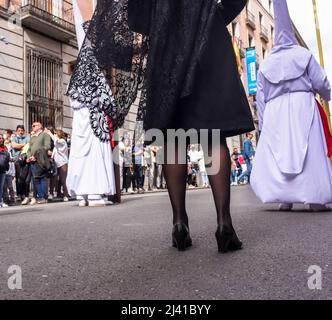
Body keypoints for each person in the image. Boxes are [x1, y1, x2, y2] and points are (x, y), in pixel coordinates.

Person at [68, 0, 255, 252]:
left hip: (166, 45)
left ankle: (179, 223)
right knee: (213, 133)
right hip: (208, 36)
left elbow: (134, 14)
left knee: (173, 136)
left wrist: (161, 22)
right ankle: (224, 224)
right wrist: (214, 14)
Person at [250, 0, 332, 212]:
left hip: (276, 111)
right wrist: (326, 95)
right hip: (302, 105)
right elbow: (321, 82)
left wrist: (265, 120)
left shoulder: (266, 64)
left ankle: (284, 198)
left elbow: (261, 97)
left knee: (280, 150)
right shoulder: (303, 55)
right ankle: (314, 198)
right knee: (309, 150)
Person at [66, 0, 116, 207]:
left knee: (82, 152)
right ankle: (93, 193)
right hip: (91, 124)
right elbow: (105, 100)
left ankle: (82, 194)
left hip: (83, 123)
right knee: (94, 151)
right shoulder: (92, 73)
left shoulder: (78, 78)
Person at [26, 122, 52, 205]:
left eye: (34, 125)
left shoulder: (45, 135)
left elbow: (47, 146)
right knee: (36, 179)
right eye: (32, 125)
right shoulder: (32, 137)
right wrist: (29, 157)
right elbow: (29, 149)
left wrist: (36, 155)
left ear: (40, 126)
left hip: (41, 160)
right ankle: (40, 197)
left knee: (42, 178)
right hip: (32, 161)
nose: (32, 127)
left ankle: (44, 197)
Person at [44, 128, 70, 202]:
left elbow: (57, 141)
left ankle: (65, 195)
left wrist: (49, 133)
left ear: (58, 134)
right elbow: (57, 152)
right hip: (55, 163)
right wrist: (51, 154)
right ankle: (51, 194)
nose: (54, 135)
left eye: (55, 134)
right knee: (53, 179)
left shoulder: (62, 141)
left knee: (63, 180)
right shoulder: (56, 145)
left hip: (62, 163)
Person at [11, 125, 30, 204]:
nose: (20, 132)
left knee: (26, 179)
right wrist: (24, 145)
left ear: (24, 131)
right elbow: (14, 145)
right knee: (19, 178)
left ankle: (26, 195)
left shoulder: (27, 137)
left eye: (22, 130)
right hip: (17, 160)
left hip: (26, 160)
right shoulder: (14, 138)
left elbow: (29, 145)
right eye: (19, 130)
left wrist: (20, 146)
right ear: (16, 131)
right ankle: (19, 194)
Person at [0, 134, 10, 208]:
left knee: (1, 187)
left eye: (1, 138)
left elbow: (7, 159)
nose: (1, 139)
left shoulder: (5, 148)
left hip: (2, 170)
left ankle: (0, 201)